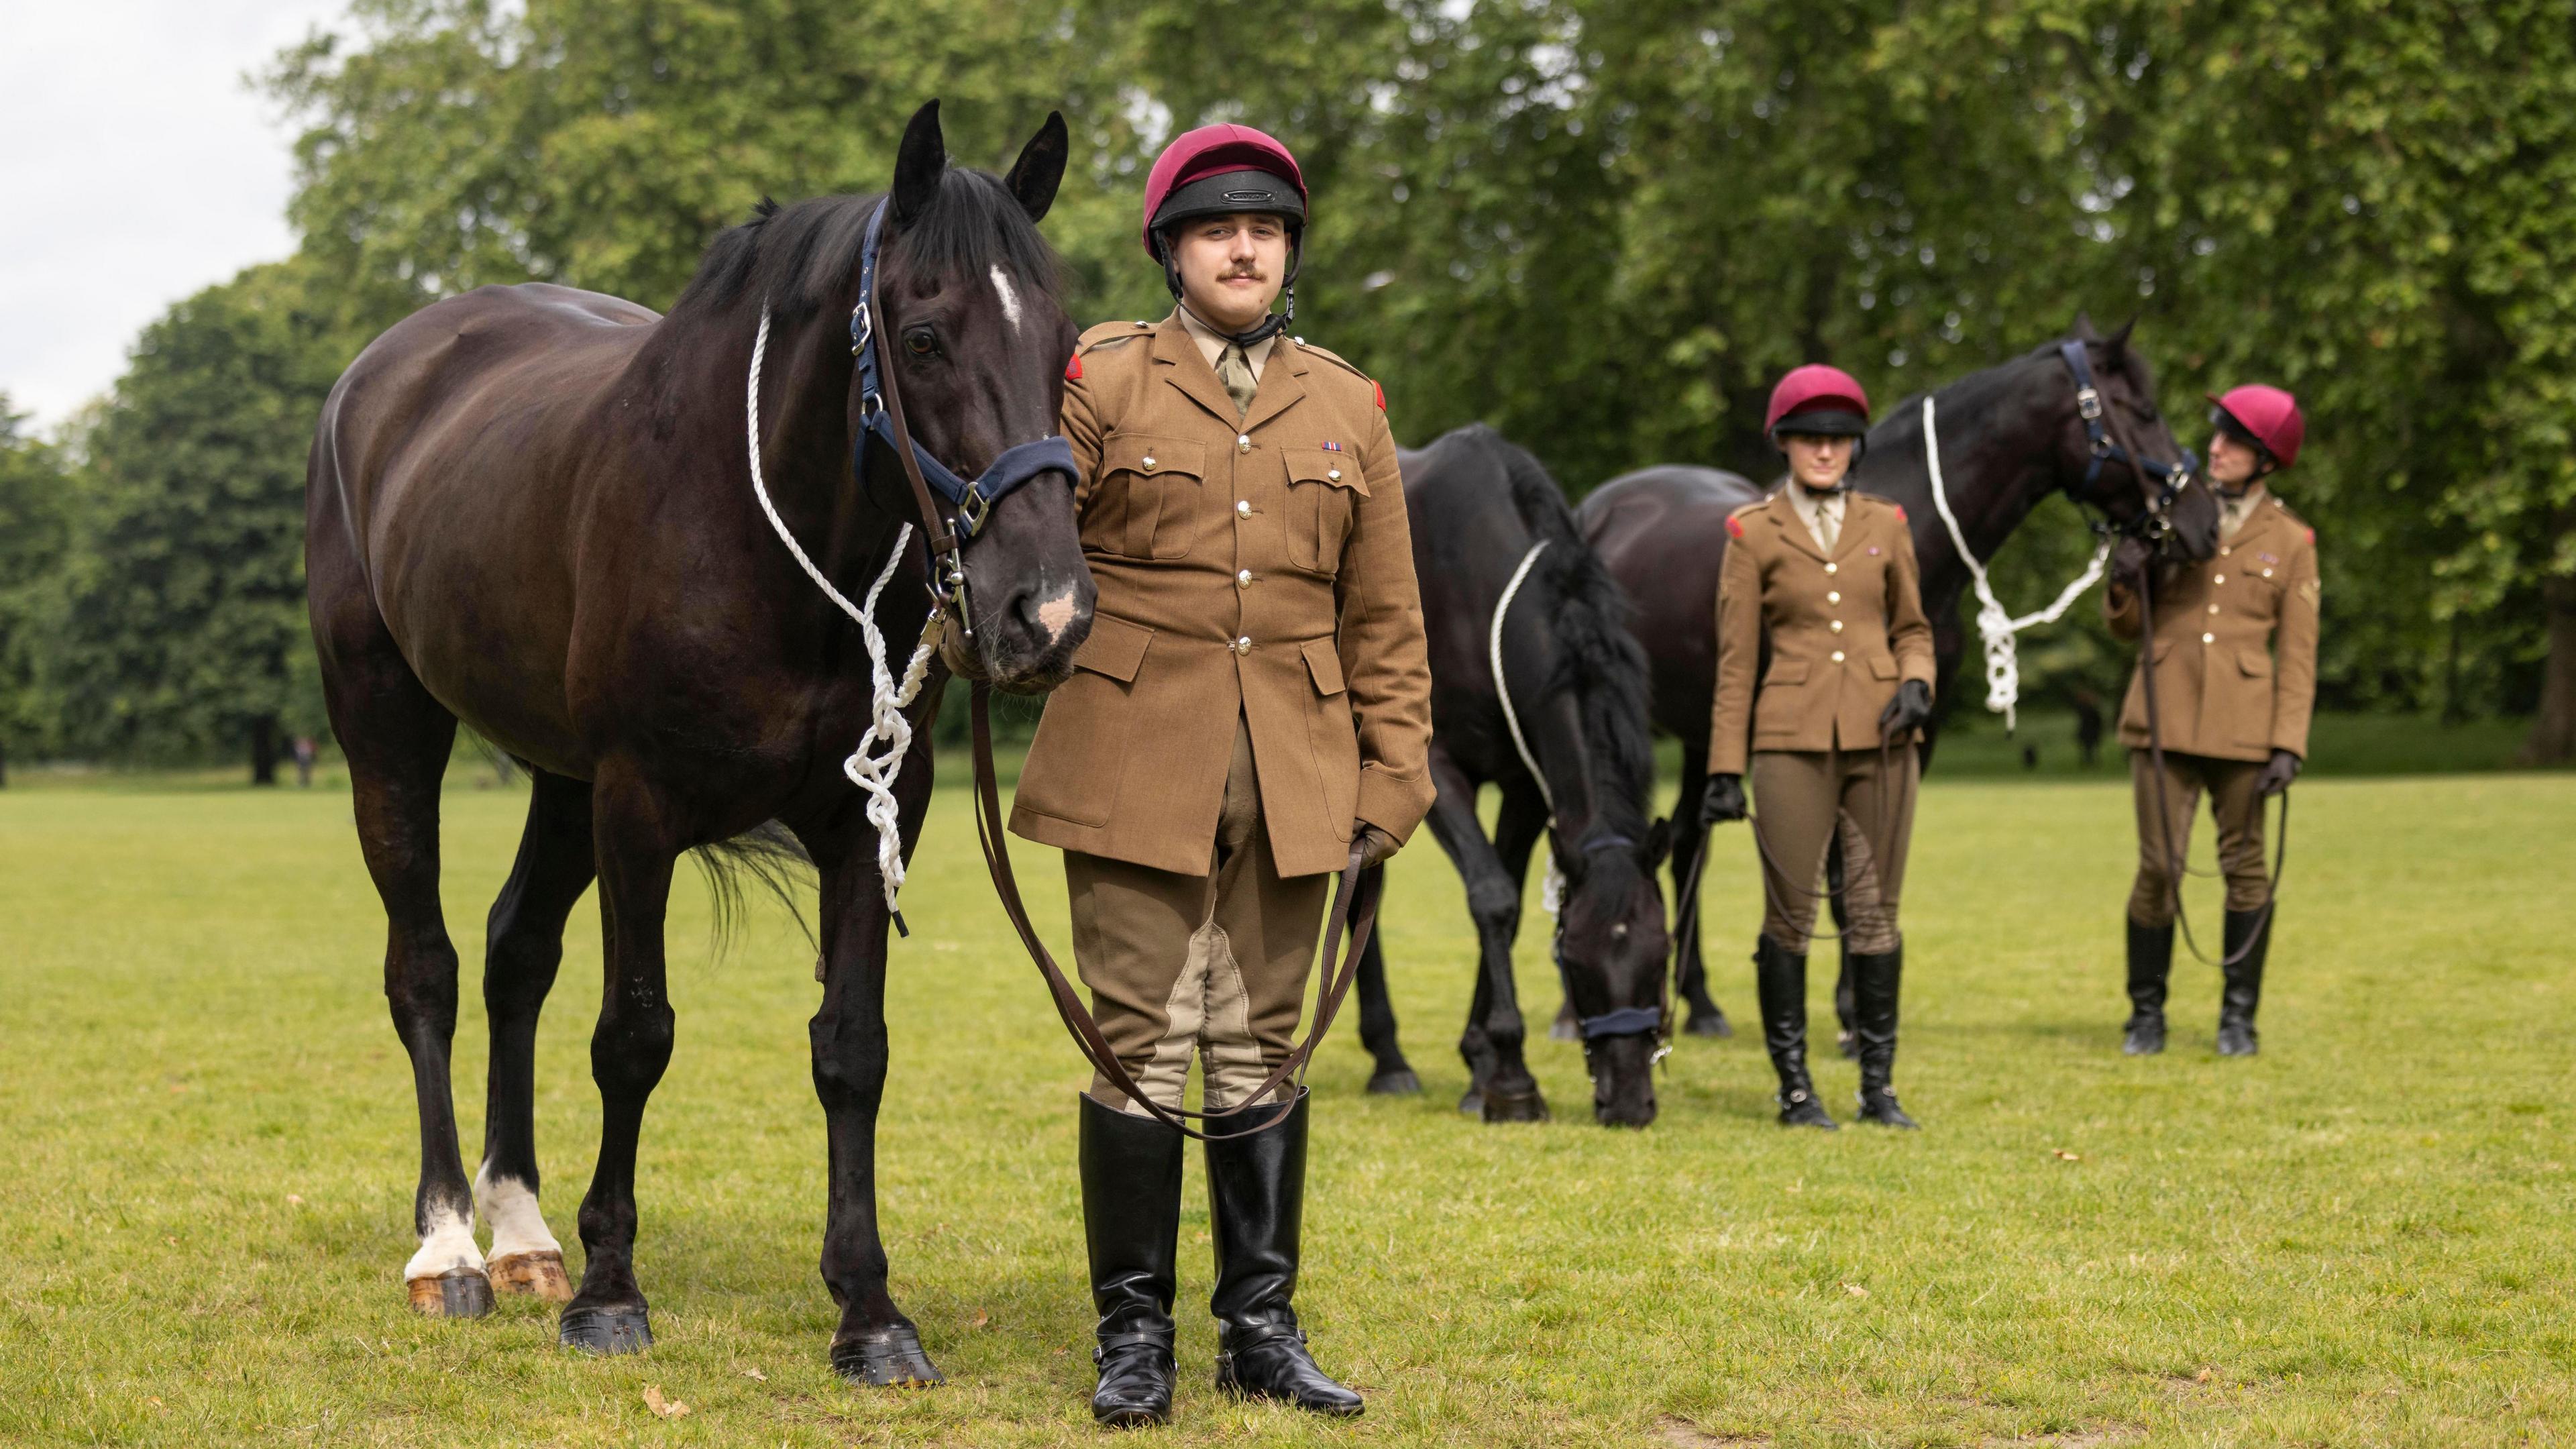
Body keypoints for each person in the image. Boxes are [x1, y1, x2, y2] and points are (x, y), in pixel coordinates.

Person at [1010, 121, 1434, 1426]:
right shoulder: (1097, 380)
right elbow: (1024, 546)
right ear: (1173, 251)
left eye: (1263, 229)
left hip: (1301, 766)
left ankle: (1260, 1328)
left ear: (1288, 248)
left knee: (1263, 1056)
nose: (1243, 247)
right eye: (1214, 229)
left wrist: (1395, 774)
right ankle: (1131, 1336)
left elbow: (1386, 618)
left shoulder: (1346, 404)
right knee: (1142, 1044)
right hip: (1135, 750)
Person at [1701, 365, 1935, 1130]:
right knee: (1791, 918)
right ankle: (1796, 1088)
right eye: (1809, 437)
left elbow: (1913, 628)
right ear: (1785, 444)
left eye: (1837, 438)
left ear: (1855, 445)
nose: (1825, 451)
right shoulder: (1752, 532)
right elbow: (1736, 663)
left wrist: (1918, 680)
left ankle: (1878, 1086)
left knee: (1875, 917)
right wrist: (1724, 769)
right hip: (1790, 742)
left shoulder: (1888, 524)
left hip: (1884, 739)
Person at [2106, 384, 2316, 1057]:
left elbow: (2300, 654)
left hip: (2246, 727)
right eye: (2218, 435)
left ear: (2266, 461)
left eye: (2234, 442)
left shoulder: (2292, 540)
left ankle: (2238, 1018)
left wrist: (2288, 743)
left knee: (2247, 872)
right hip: (2163, 715)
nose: (2215, 448)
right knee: (2158, 868)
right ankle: (2146, 1014)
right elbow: (2129, 627)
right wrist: (2123, 580)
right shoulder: (2168, 514)